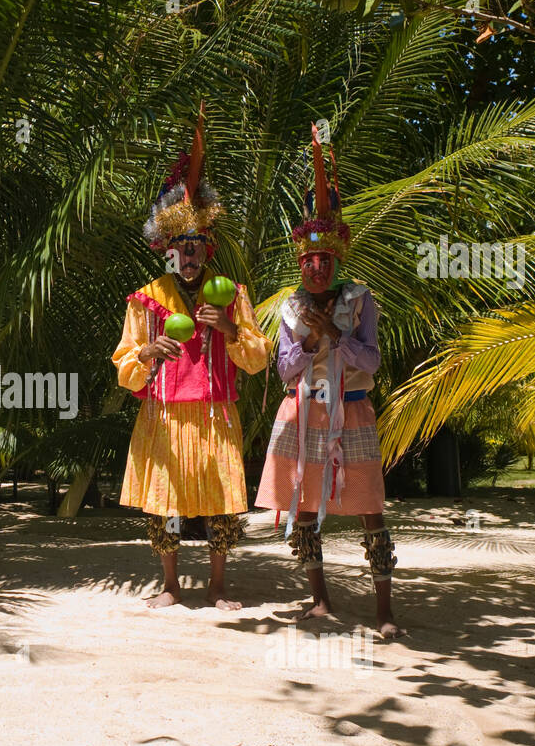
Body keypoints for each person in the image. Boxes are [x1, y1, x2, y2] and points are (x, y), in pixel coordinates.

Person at [112, 106, 270, 610]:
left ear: (210, 247)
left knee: (223, 502)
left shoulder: (232, 294)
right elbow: (122, 365)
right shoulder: (146, 297)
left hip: (216, 410)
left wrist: (226, 327)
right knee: (164, 504)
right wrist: (149, 351)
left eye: (197, 245)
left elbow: (258, 357)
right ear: (166, 250)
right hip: (163, 413)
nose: (189, 256)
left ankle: (219, 586)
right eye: (180, 247)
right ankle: (170, 584)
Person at [254, 125, 403, 638]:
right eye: (308, 261)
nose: (316, 268)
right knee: (307, 507)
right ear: (301, 263)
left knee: (368, 508)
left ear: (338, 260)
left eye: (325, 260)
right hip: (302, 409)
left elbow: (373, 359)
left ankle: (384, 610)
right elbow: (284, 369)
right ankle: (319, 599)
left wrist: (335, 340)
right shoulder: (290, 306)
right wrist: (315, 342)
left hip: (352, 408)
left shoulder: (360, 299)